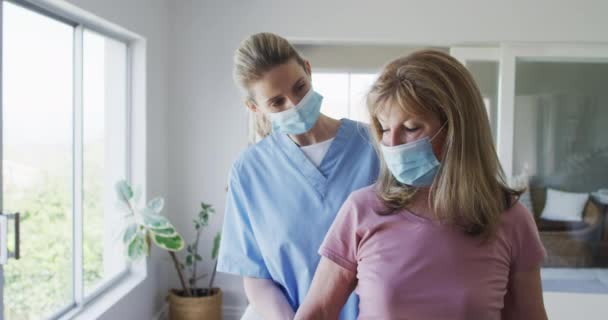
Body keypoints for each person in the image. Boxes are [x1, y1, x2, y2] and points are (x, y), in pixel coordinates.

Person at [295, 49, 548, 320]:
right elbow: (318, 312)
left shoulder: (510, 219)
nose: (392, 144)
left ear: (456, 130)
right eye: (384, 128)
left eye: (412, 127)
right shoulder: (361, 210)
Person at [216, 32, 380, 320]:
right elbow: (255, 275)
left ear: (308, 69)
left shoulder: (374, 148)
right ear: (255, 108)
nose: (295, 104)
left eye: (300, 88)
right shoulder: (249, 172)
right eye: (277, 102)